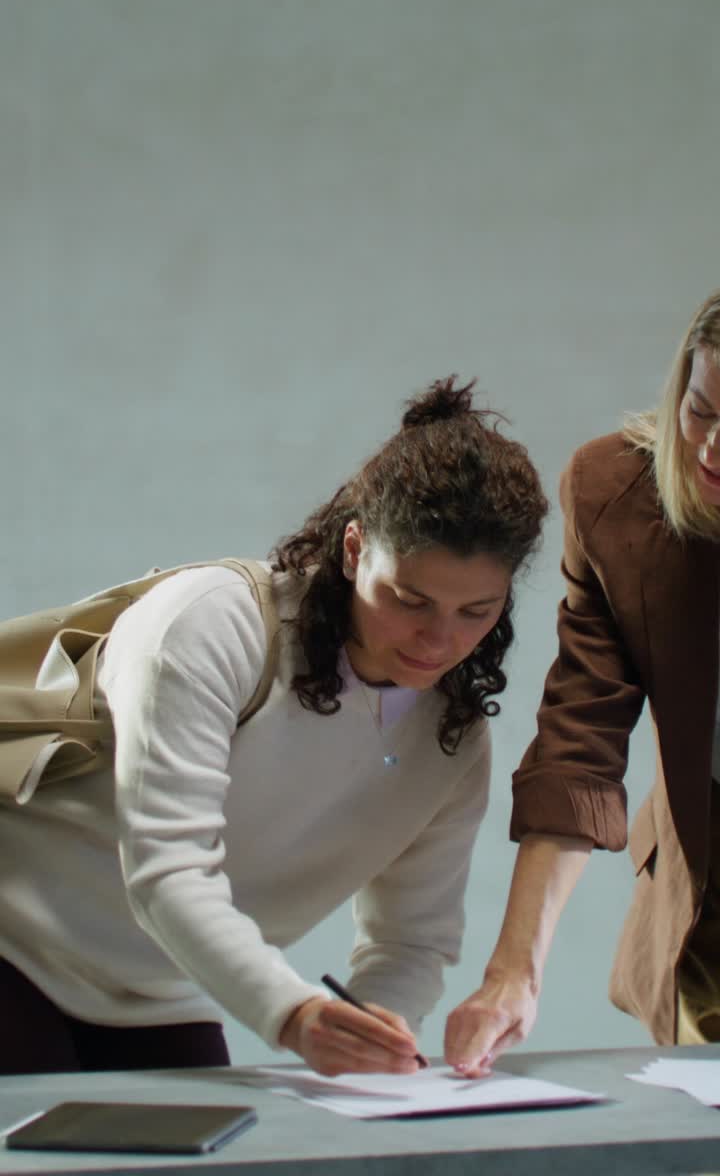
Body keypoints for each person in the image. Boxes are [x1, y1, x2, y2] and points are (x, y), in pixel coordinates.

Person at [0, 376, 547, 1077]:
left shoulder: (452, 740)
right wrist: (293, 1015)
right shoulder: (209, 625)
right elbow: (168, 872)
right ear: (354, 551)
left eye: (477, 611)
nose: (438, 640)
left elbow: (411, 942)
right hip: (13, 942)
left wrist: (376, 1030)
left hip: (155, 992)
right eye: (410, 599)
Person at [444, 290, 720, 1076]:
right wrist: (513, 975)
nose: (711, 453)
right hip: (708, 906)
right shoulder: (617, 499)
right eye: (699, 412)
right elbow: (579, 743)